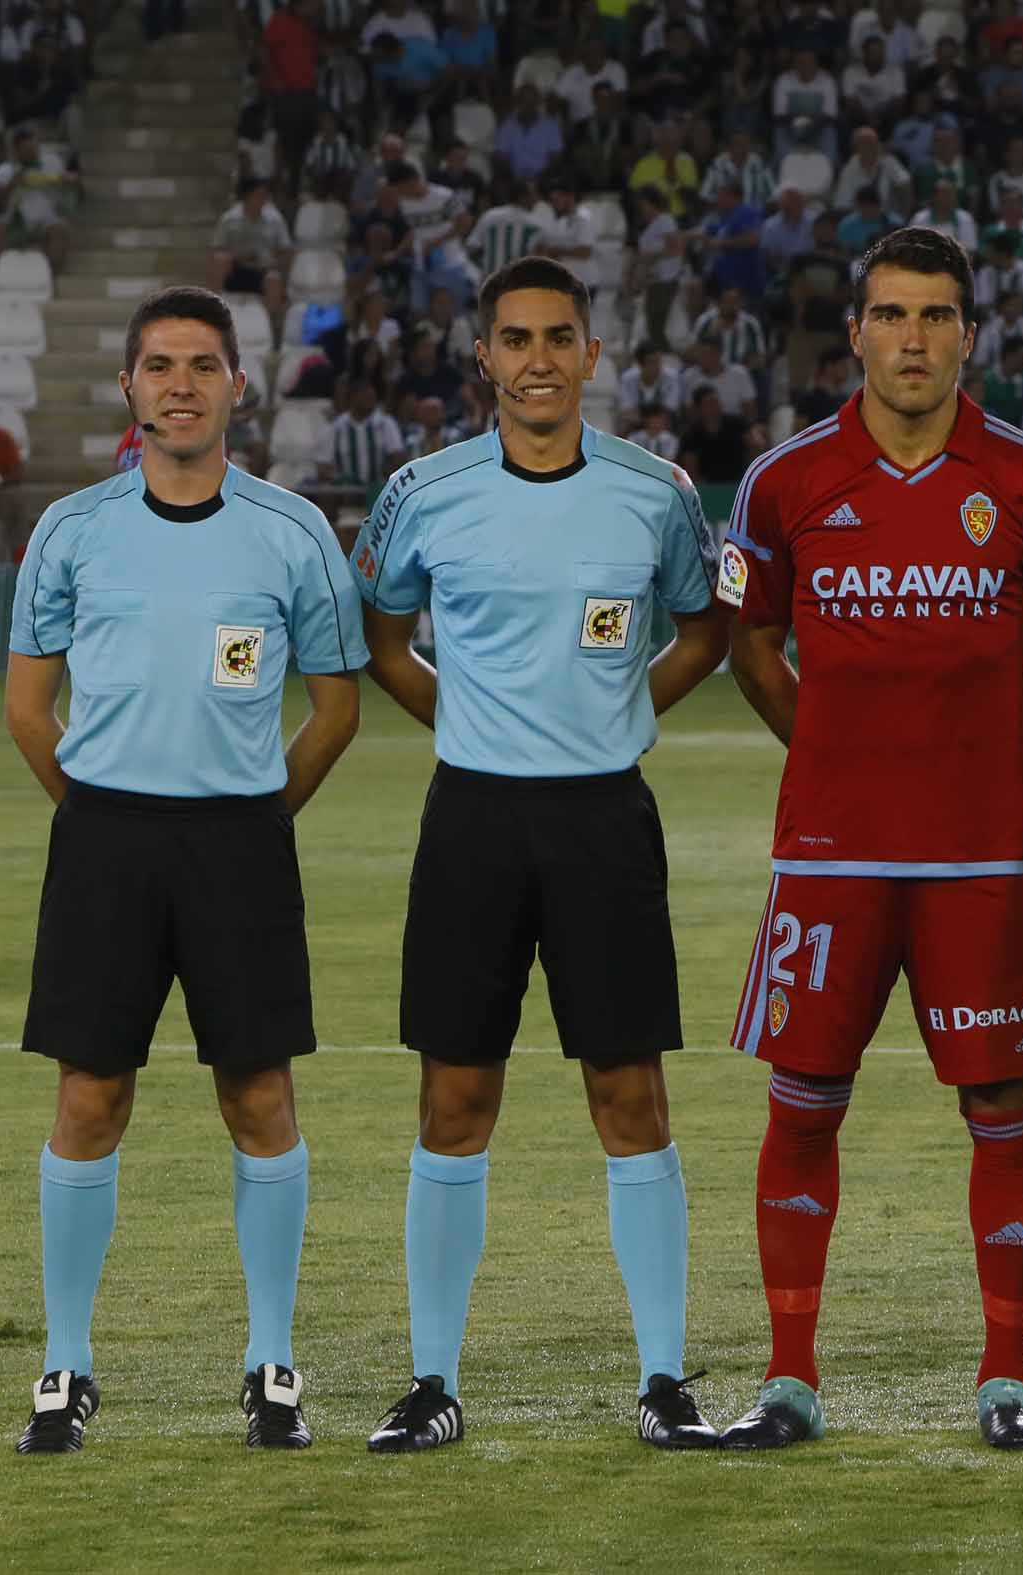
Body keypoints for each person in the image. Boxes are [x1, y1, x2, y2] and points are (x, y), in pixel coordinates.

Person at [712, 227, 1023, 1451]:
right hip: (830, 852)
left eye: (936, 316)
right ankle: (787, 1379)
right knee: (803, 1100)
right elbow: (752, 647)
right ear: (858, 333)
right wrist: (826, 747)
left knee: (1002, 1100)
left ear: (969, 334)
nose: (913, 339)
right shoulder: (784, 483)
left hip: (982, 850)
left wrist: (983, 746)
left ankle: (1004, 1378)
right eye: (890, 315)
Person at [348, 257, 732, 1453]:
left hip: (603, 820)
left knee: (630, 1094)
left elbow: (705, 622)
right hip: (472, 818)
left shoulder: (653, 492)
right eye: (514, 340)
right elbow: (378, 629)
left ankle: (664, 1379)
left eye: (558, 338)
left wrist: (623, 709)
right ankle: (430, 1381)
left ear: (592, 355)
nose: (537, 361)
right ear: (484, 359)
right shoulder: (424, 490)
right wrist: (462, 723)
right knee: (455, 1096)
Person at [3, 286, 363, 1453]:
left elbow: (337, 704)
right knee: (88, 1100)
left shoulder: (293, 531)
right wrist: (103, 815)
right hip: (105, 840)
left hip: (238, 846)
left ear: (238, 387)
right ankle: (65, 1365)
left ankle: (271, 1362)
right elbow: (26, 705)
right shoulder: (72, 528)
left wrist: (258, 815)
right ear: (128, 387)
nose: (180, 385)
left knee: (257, 1099)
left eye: (202, 365)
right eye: (158, 366)